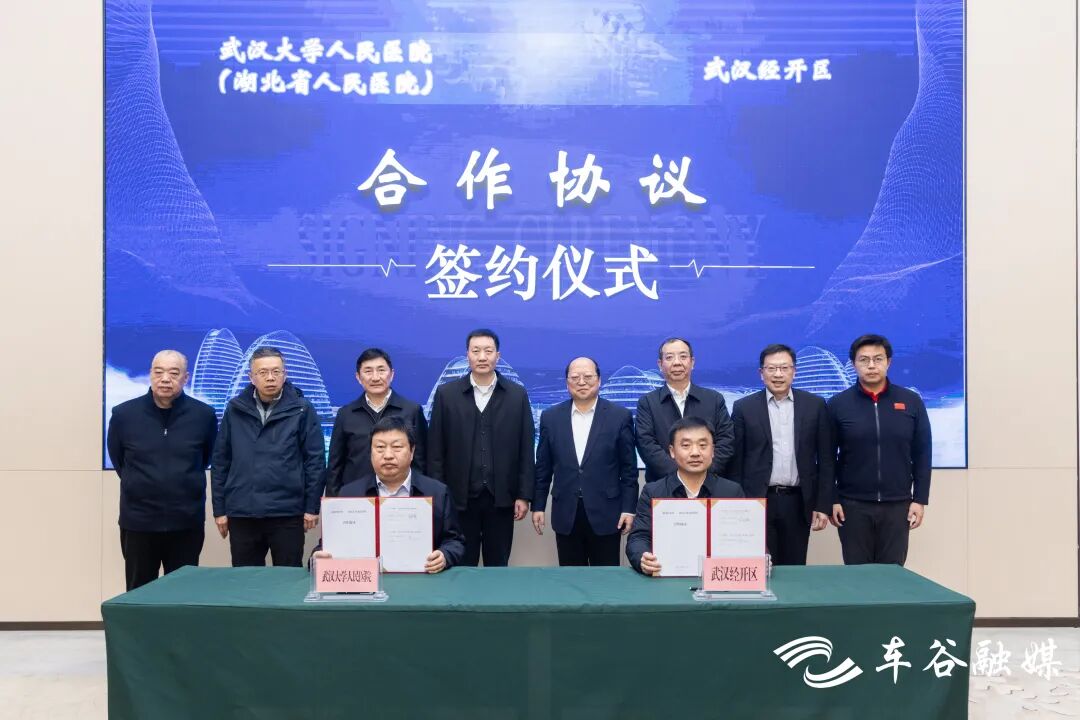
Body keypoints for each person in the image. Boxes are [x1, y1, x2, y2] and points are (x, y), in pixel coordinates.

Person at [107, 350, 217, 590]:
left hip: (186, 522)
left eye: (173, 373)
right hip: (138, 522)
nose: (165, 379)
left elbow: (206, 457)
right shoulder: (124, 415)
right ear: (150, 374)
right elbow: (120, 461)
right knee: (139, 593)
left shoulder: (204, 415)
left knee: (182, 593)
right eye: (159, 372)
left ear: (185, 378)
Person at [427, 329, 535, 566]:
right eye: (476, 351)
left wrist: (524, 495)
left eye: (488, 351)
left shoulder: (516, 395)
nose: (482, 357)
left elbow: (526, 449)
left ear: (498, 355)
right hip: (458, 499)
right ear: (467, 355)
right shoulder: (447, 395)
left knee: (498, 564)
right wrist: (438, 494)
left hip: (502, 497)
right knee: (461, 563)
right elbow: (435, 450)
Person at [211, 347, 326, 567]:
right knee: (246, 580)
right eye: (263, 372)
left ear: (285, 374)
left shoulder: (302, 409)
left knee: (287, 579)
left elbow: (315, 461)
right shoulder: (235, 409)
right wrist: (220, 510)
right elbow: (220, 461)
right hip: (243, 512)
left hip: (287, 512)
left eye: (276, 371)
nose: (270, 378)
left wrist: (311, 507)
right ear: (251, 377)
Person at [828, 334, 931, 566]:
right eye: (864, 360)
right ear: (854, 364)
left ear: (889, 362)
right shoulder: (838, 405)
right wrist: (832, 499)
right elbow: (827, 458)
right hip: (852, 506)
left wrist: (919, 499)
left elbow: (922, 455)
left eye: (878, 359)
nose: (871, 365)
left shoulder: (911, 401)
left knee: (892, 574)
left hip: (898, 505)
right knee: (857, 575)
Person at [314, 416, 464, 573]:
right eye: (380, 448)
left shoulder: (437, 492)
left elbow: (455, 541)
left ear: (412, 451)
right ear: (370, 453)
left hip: (422, 579)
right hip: (367, 581)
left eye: (397, 447)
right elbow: (327, 545)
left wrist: (445, 555)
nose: (388, 455)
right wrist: (318, 557)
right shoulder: (349, 494)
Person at [729, 344, 833, 565]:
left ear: (794, 371)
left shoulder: (815, 405)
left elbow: (826, 459)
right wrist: (737, 504)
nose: (778, 374)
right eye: (771, 368)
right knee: (758, 566)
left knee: (794, 568)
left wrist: (823, 504)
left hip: (798, 501)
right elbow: (735, 461)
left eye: (784, 368)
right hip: (757, 501)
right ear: (761, 373)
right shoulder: (743, 408)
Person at [531, 357, 638, 566]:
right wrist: (538, 506)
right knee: (570, 579)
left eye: (588, 376)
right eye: (575, 377)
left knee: (606, 578)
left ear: (599, 380)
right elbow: (543, 468)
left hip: (607, 513)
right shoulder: (551, 417)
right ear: (567, 382)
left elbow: (629, 470)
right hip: (566, 512)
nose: (581, 382)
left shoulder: (619, 416)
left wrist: (628, 509)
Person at [626, 416, 744, 576]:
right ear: (672, 451)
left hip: (718, 578)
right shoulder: (653, 492)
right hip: (666, 578)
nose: (695, 453)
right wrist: (643, 558)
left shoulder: (731, 492)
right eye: (686, 446)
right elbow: (639, 537)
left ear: (713, 450)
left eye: (703, 445)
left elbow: (748, 536)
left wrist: (762, 557)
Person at [325, 348, 427, 497]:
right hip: (356, 499)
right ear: (358, 377)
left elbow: (421, 461)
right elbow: (335, 466)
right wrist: (333, 502)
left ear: (392, 374)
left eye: (381, 370)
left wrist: (419, 499)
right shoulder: (345, 414)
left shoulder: (411, 411)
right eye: (368, 371)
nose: (375, 377)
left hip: (402, 498)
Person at [635, 337, 734, 484]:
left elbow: (726, 440)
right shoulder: (648, 403)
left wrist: (703, 474)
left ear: (692, 362)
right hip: (663, 486)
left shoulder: (714, 399)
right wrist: (680, 477)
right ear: (660, 364)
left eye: (683, 356)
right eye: (669, 357)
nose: (677, 363)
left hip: (709, 485)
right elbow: (646, 445)